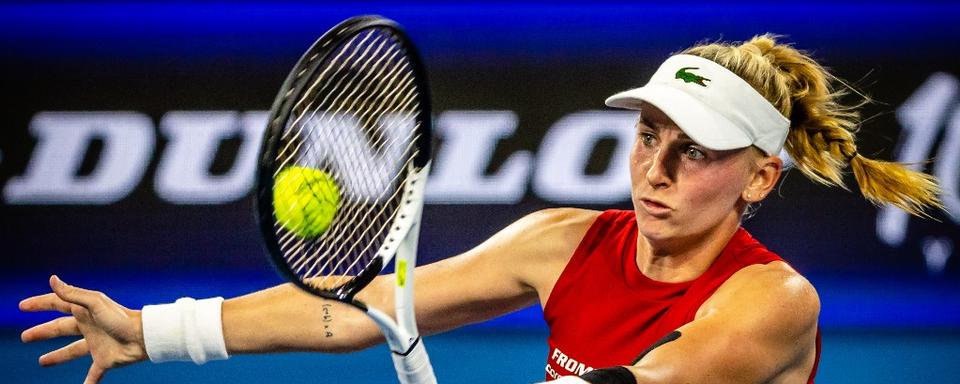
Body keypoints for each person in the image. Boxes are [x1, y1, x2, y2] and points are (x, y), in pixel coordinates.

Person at [20, 34, 942, 384]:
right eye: (648, 136)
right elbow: (360, 313)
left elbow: (653, 381)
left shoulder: (774, 303)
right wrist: (152, 330)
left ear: (759, 179)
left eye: (694, 151)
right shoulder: (562, 241)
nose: (654, 170)